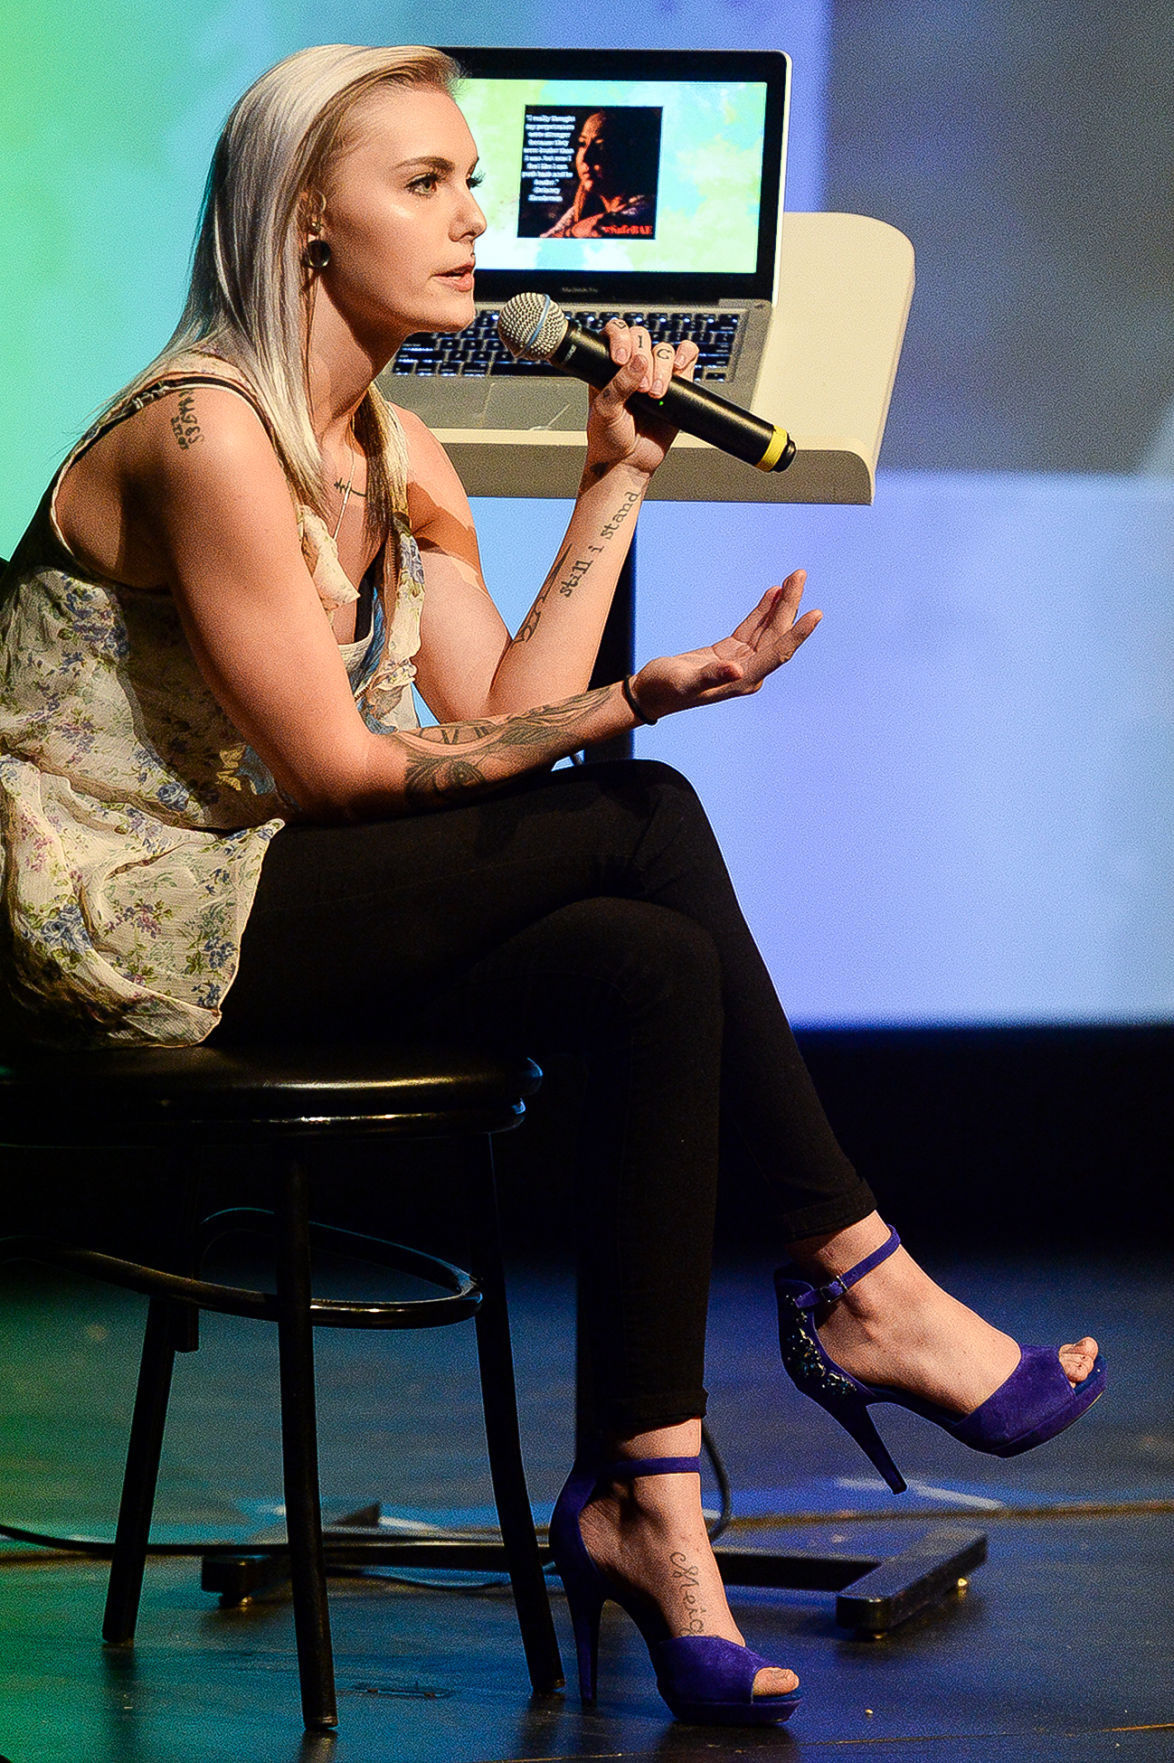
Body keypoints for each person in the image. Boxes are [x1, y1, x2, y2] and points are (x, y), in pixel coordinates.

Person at [0, 45, 1103, 1727]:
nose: (475, 223)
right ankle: (863, 1280)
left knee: (643, 964)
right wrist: (634, 698)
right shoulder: (203, 431)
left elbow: (492, 715)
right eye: (423, 185)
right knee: (641, 806)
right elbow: (345, 774)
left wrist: (617, 478)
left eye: (472, 183)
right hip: (117, 920)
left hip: (268, 896)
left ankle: (644, 1497)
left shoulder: (400, 450)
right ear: (303, 222)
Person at [540, 109, 656, 237]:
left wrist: (573, 231)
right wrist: (576, 230)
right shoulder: (581, 209)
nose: (585, 157)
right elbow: (544, 241)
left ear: (629, 154)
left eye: (601, 145)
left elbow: (601, 230)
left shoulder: (647, 210)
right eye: (582, 144)